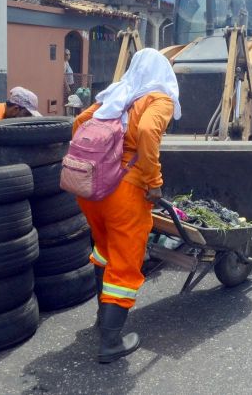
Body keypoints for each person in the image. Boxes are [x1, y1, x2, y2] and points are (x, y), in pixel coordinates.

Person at [73, 48, 181, 364]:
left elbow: (80, 120)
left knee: (104, 250)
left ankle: (101, 317)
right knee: (125, 262)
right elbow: (147, 131)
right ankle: (110, 341)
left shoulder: (118, 92)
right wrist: (154, 181)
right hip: (125, 191)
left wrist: (96, 161)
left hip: (92, 189)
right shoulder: (158, 99)